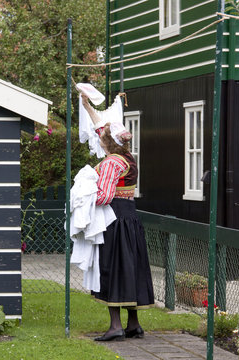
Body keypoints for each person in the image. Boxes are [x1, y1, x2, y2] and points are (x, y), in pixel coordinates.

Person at [80, 93, 155, 342]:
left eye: (102, 138)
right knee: (131, 267)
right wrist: (87, 106)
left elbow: (104, 196)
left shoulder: (112, 163)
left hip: (114, 220)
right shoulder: (128, 158)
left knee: (113, 268)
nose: (99, 139)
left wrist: (83, 195)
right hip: (131, 219)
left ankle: (115, 326)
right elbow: (102, 127)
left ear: (108, 142)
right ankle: (134, 324)